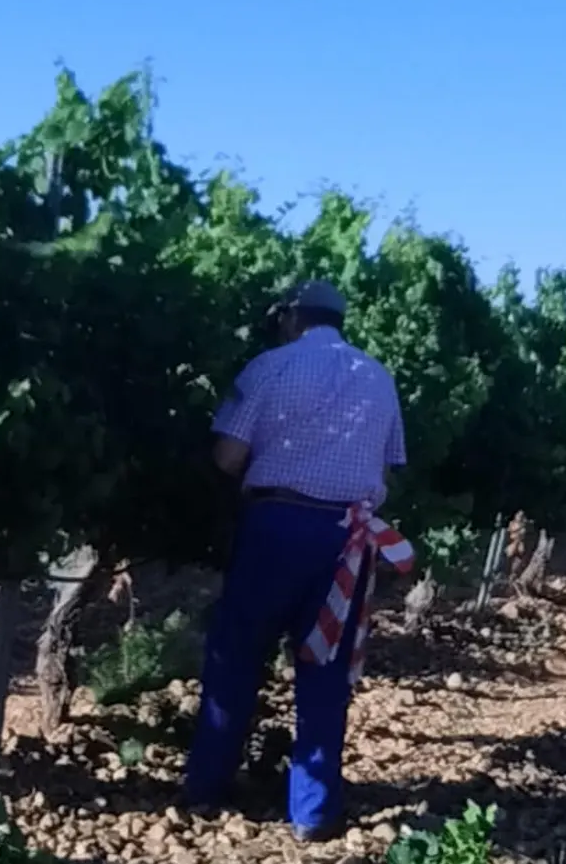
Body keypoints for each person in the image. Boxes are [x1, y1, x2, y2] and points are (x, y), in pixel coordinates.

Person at [183, 280, 415, 842]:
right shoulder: (378, 378)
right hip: (346, 539)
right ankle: (312, 813)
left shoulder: (269, 367)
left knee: (234, 655)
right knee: (325, 672)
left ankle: (206, 789)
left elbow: (228, 455)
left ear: (292, 318)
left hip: (274, 526)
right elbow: (386, 468)